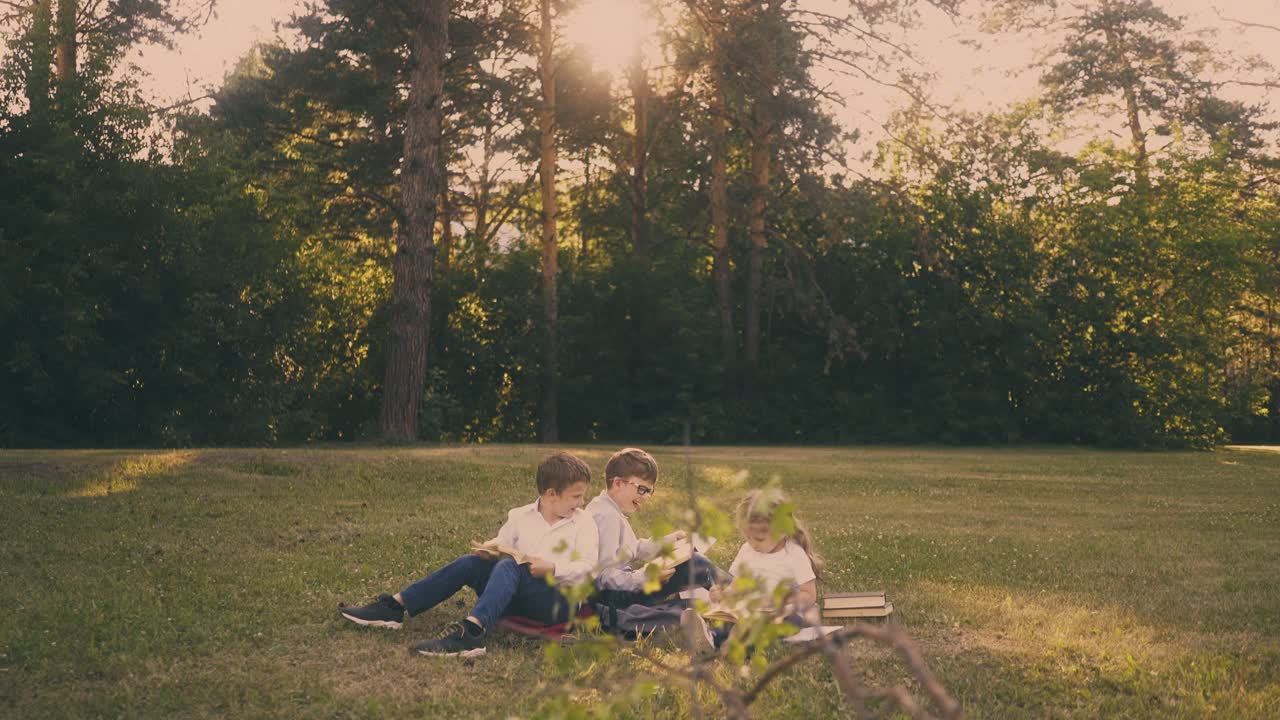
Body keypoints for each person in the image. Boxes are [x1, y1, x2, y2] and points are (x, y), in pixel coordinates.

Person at [339, 451, 599, 658]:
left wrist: (553, 567)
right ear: (551, 494)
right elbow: (504, 543)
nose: (581, 502)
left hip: (556, 601)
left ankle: (471, 633)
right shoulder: (520, 515)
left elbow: (590, 566)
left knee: (510, 568)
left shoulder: (583, 522)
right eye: (576, 496)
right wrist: (490, 549)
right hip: (515, 594)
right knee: (472, 563)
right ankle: (395, 607)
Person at [681, 486, 823, 657]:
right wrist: (723, 594)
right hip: (746, 611)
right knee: (725, 622)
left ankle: (736, 644)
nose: (752, 544)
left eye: (759, 539)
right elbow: (736, 583)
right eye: (747, 537)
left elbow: (809, 594)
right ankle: (710, 639)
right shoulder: (747, 550)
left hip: (780, 613)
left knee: (777, 625)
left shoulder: (794, 554)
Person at [586, 447, 726, 609]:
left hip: (621, 588)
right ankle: (740, 598)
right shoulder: (606, 517)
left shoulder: (608, 508)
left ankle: (729, 599)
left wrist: (670, 540)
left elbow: (633, 548)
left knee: (691, 563)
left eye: (649, 491)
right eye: (642, 489)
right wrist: (644, 577)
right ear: (618, 483)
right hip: (613, 596)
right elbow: (603, 575)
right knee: (696, 564)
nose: (645, 497)